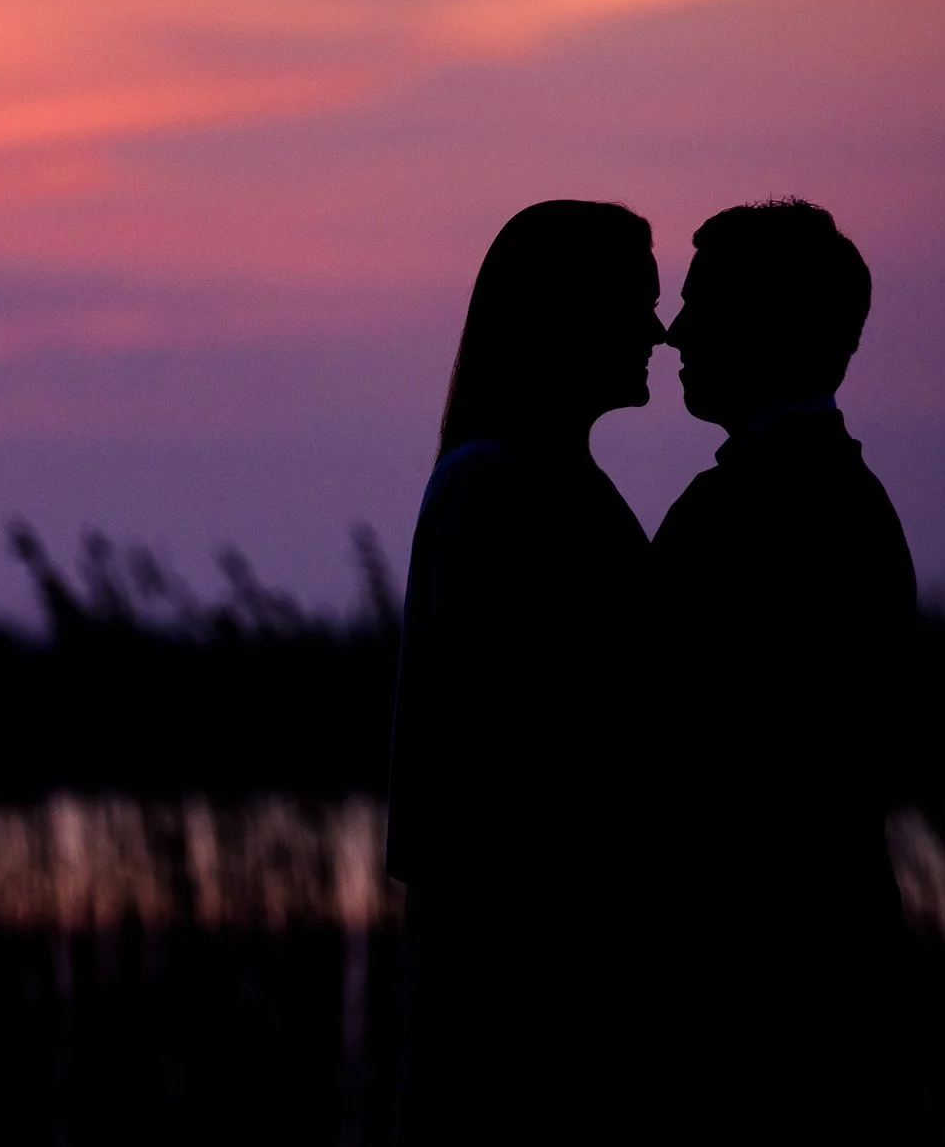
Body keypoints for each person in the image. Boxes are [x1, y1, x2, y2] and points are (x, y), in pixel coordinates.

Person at [385, 199, 667, 1144]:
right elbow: (496, 761)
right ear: (569, 316)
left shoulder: (557, 488)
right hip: (519, 988)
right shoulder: (496, 489)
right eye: (638, 303)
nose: (658, 330)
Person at [651, 198, 916, 1143]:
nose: (673, 333)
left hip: (759, 990)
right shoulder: (851, 502)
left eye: (701, 307)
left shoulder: (742, 514)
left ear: (765, 327)